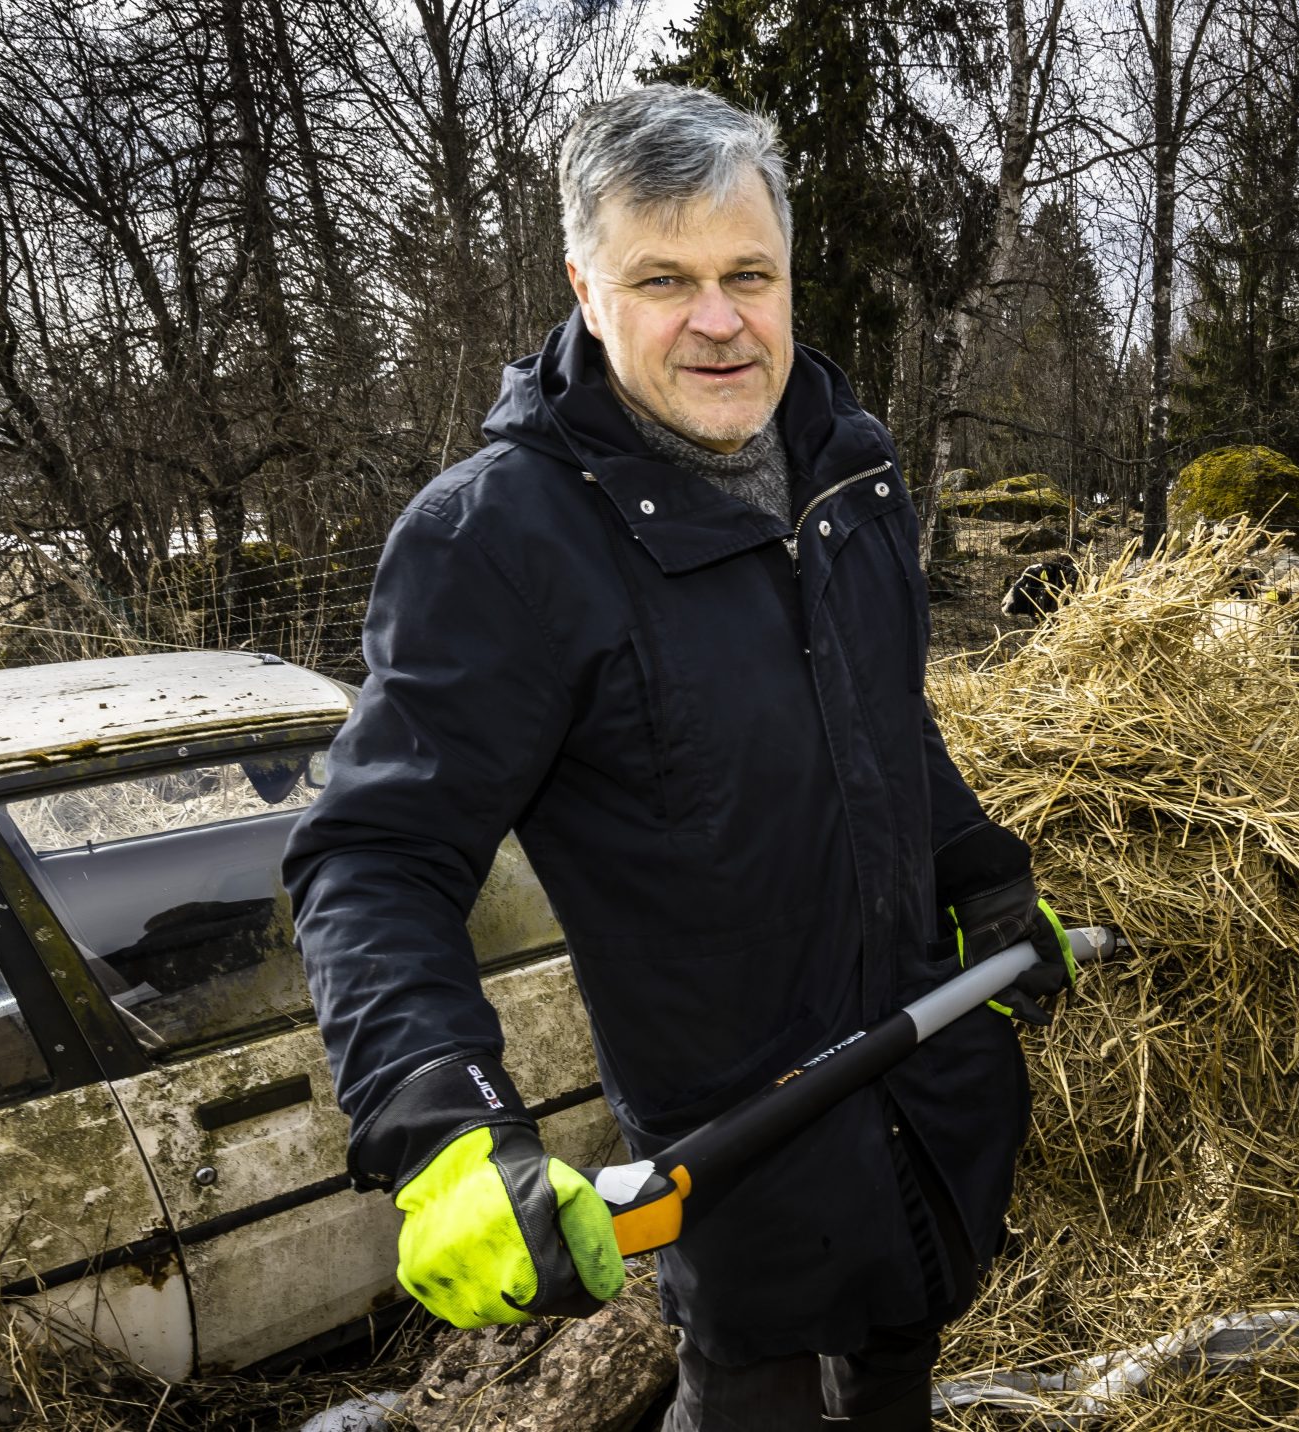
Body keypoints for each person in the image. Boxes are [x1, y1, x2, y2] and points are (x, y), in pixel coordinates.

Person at [282, 84, 1072, 1430]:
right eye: (665, 280)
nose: (719, 319)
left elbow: (884, 722)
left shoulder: (850, 466)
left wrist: (981, 876)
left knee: (898, 1376)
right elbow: (375, 857)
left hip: (924, 1097)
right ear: (586, 290)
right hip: (739, 1153)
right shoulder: (503, 545)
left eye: (747, 275)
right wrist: (442, 1123)